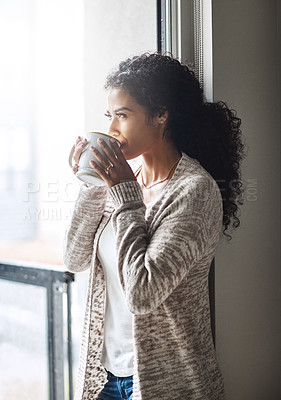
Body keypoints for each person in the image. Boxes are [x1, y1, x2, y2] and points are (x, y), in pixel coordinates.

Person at [63, 52, 244, 400]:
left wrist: (124, 194)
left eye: (123, 115)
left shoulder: (194, 190)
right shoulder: (120, 182)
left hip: (165, 382)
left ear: (161, 115)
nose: (112, 129)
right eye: (109, 116)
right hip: (105, 375)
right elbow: (74, 259)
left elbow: (143, 293)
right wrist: (92, 184)